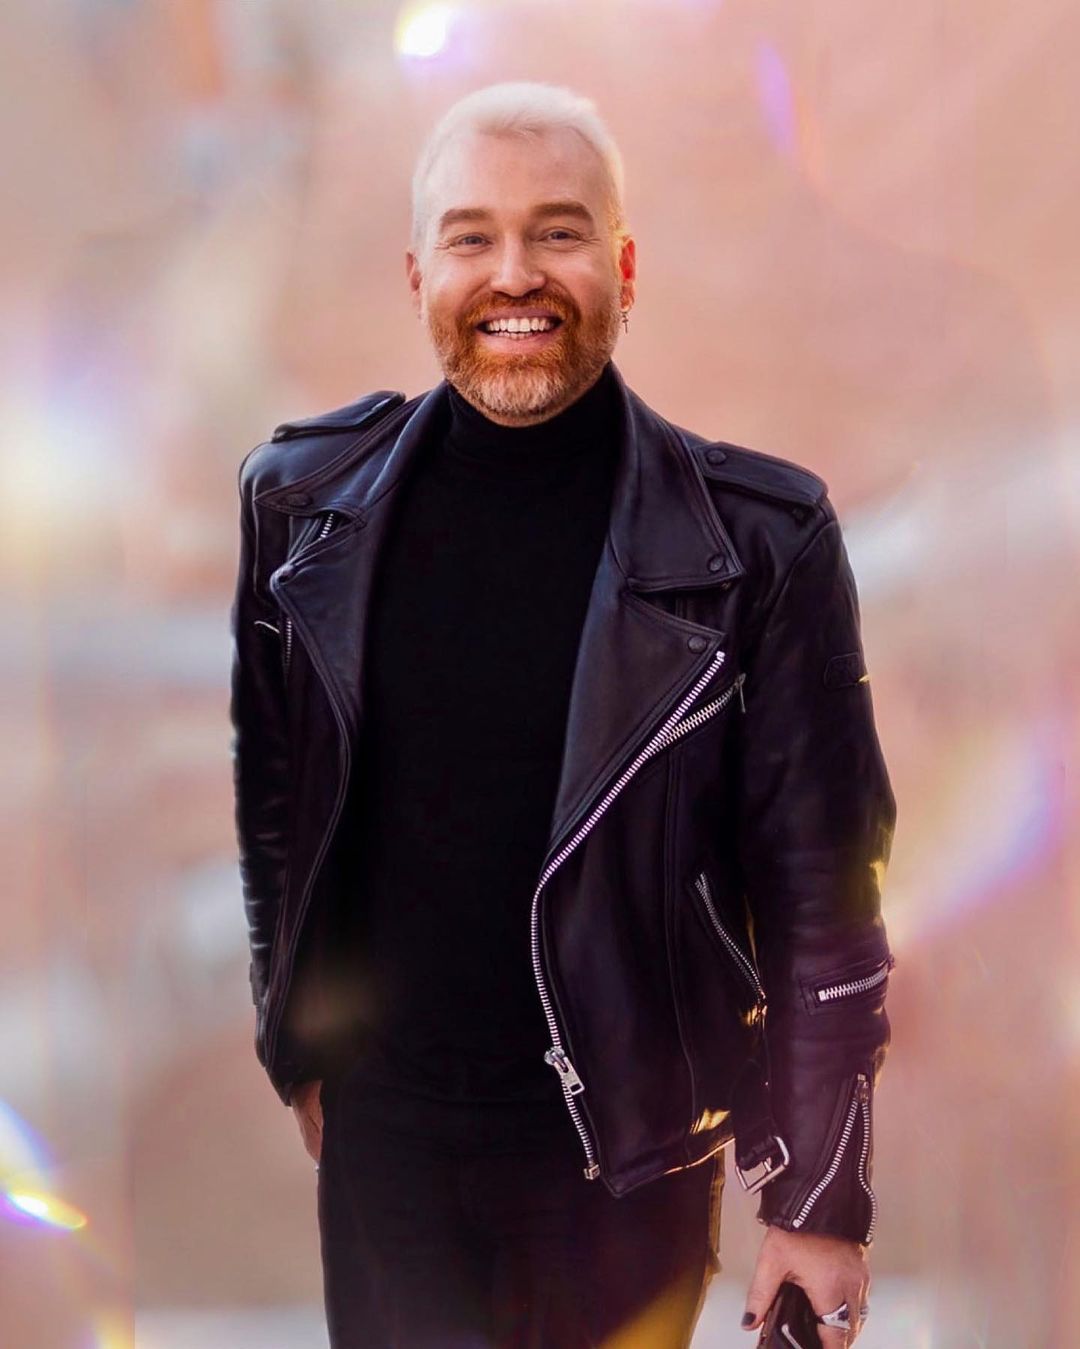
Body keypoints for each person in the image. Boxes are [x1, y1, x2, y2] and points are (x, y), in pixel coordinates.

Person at [228, 81, 896, 1349]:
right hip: (387, 1153)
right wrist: (297, 1042)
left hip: (627, 1168)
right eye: (472, 237)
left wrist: (817, 1196)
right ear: (418, 274)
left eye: (559, 231)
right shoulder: (300, 508)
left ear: (623, 268)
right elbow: (276, 795)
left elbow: (825, 888)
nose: (514, 274)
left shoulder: (760, 541)